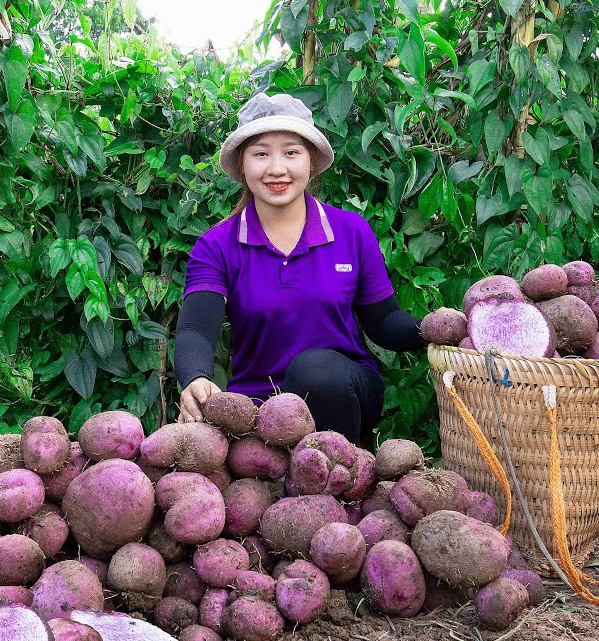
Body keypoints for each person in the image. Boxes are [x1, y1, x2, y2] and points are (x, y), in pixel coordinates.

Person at [173, 92, 427, 446]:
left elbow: (383, 324)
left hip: (345, 392)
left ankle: (340, 478)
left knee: (316, 373)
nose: (277, 168)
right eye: (261, 153)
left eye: (291, 152)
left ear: (311, 162)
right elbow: (196, 331)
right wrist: (196, 377)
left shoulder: (351, 231)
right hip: (256, 410)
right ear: (243, 165)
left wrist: (433, 327)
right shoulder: (216, 246)